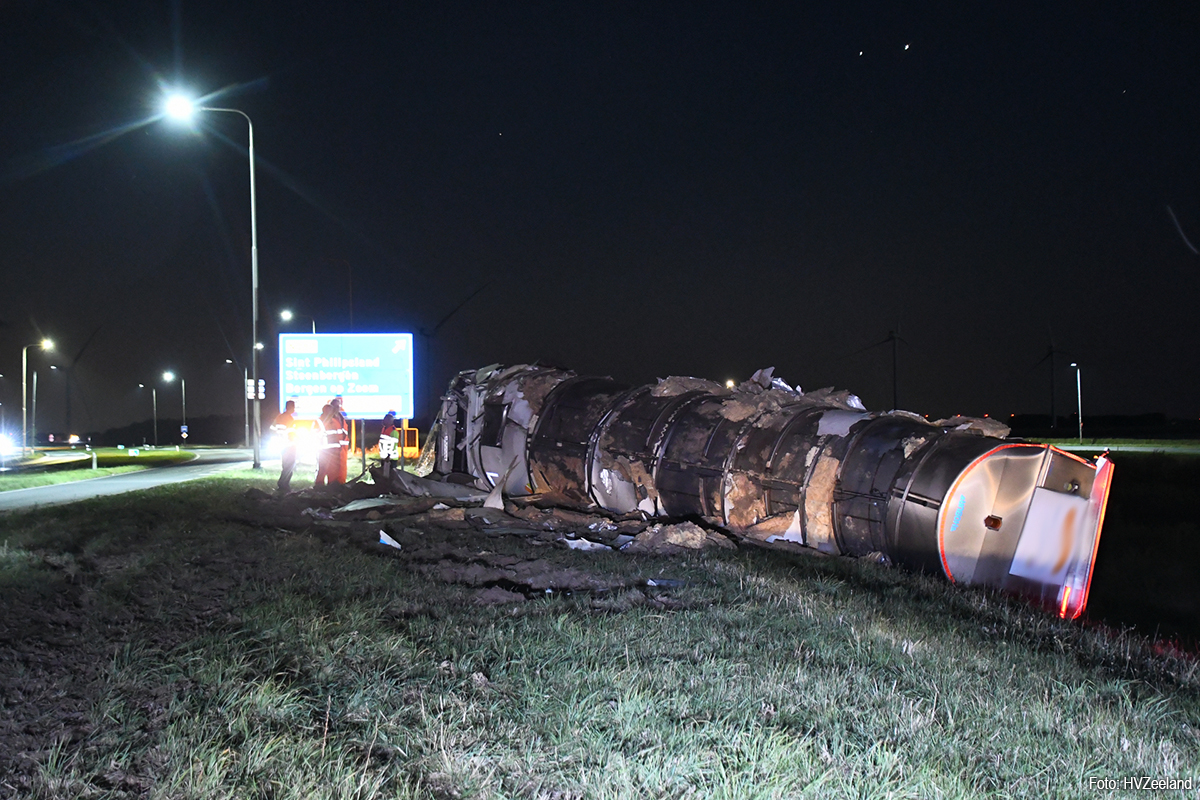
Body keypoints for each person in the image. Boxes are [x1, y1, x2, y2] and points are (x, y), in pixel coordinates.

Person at [271, 400, 298, 493]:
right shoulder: (290, 419)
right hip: (289, 446)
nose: (294, 409)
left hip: (282, 445)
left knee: (285, 465)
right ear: (290, 407)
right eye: (293, 407)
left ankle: (283, 485)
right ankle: (283, 484)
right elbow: (291, 434)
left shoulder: (279, 417)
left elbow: (272, 429)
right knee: (289, 466)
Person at [313, 403, 334, 487]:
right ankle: (319, 485)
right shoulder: (318, 421)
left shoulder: (330, 421)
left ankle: (326, 485)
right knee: (322, 467)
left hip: (329, 449)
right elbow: (314, 434)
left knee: (328, 468)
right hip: (321, 448)